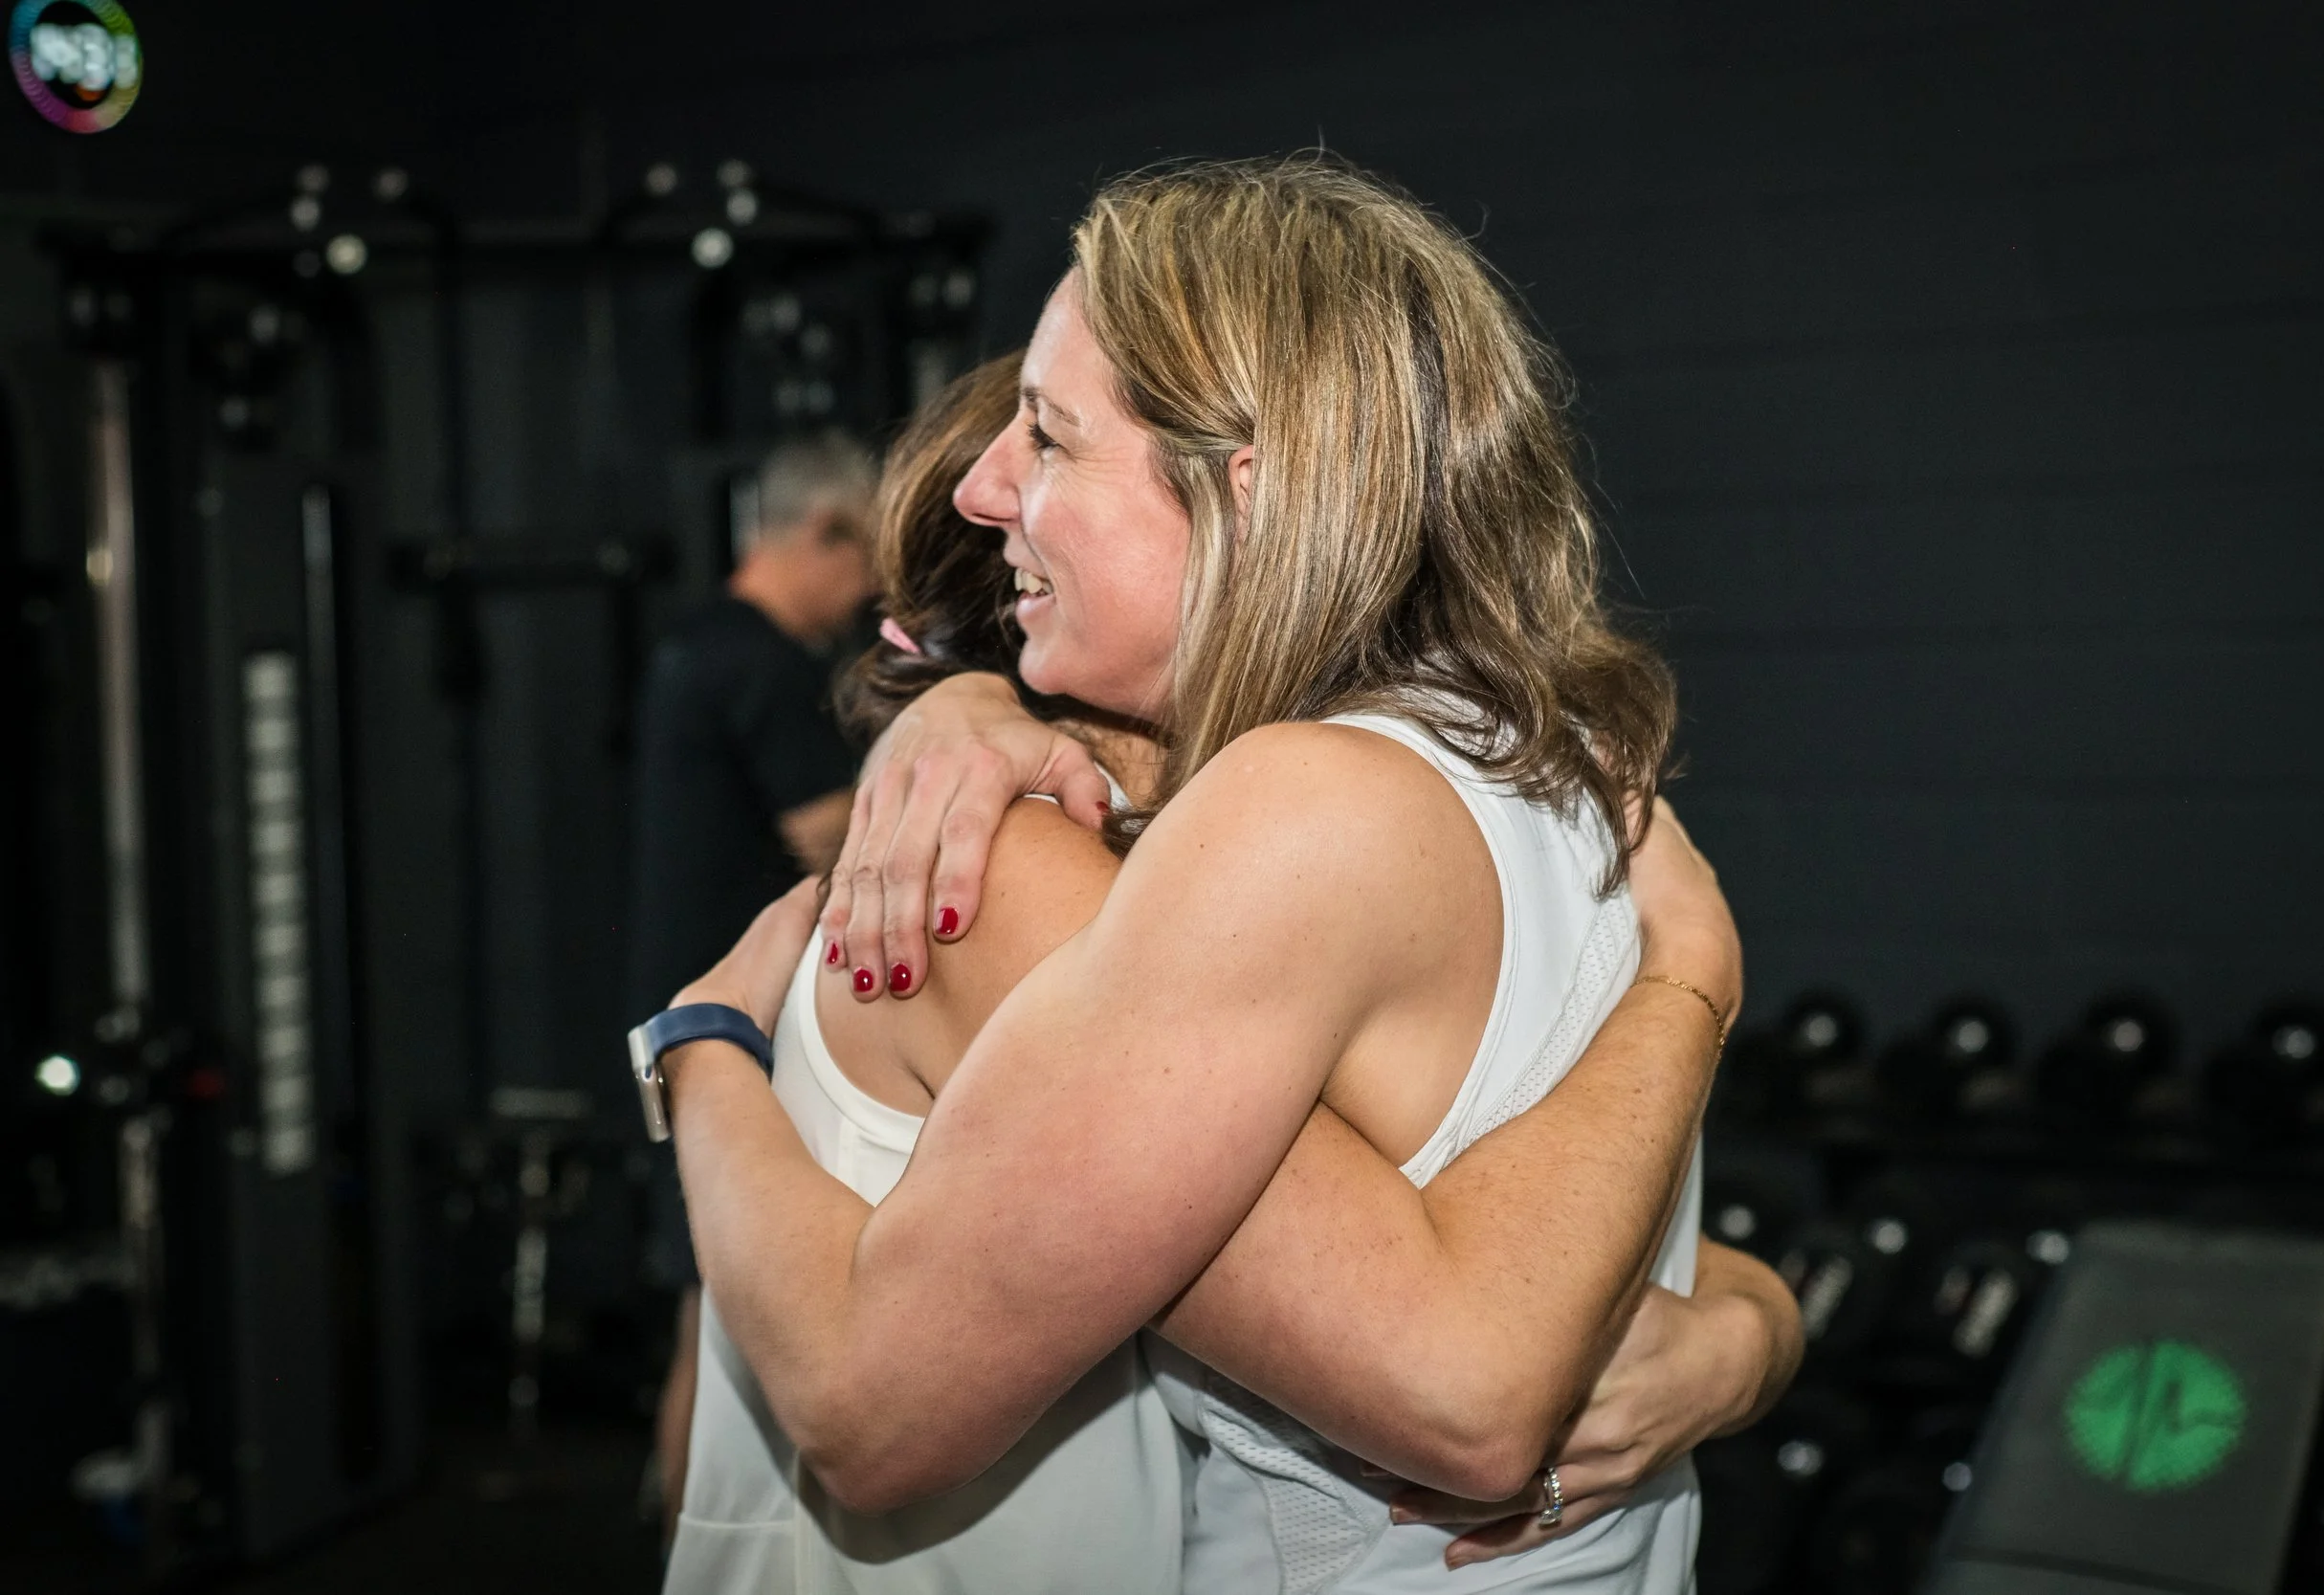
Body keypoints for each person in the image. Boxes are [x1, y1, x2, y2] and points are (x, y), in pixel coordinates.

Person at [656, 156, 1767, 1591]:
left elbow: (1473, 1394)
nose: (1000, 486)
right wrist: (1750, 1322)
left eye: (1048, 440)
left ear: (1245, 485)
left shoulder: (1293, 811)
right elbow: (1595, 1233)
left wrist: (695, 1047)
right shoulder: (1550, 770)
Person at [625, 430, 879, 1534]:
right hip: (731, 1033)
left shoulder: (695, 644)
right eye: (864, 559)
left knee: (707, 1313)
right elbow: (844, 847)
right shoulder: (767, 665)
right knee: (718, 1324)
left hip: (684, 1018)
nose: (870, 597)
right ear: (822, 530)